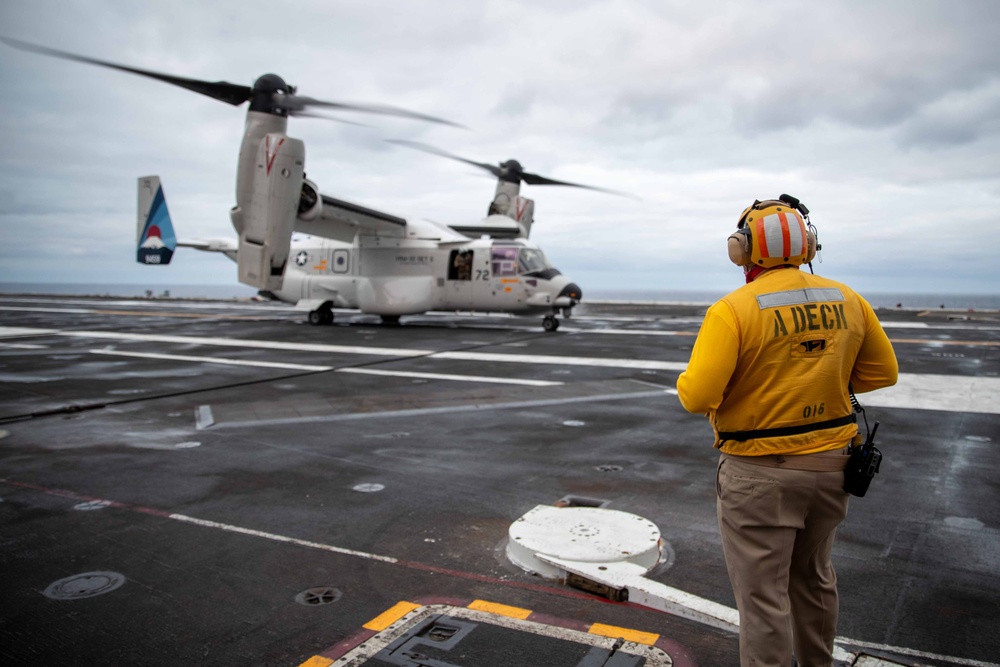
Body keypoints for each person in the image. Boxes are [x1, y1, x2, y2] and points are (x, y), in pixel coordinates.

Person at [676, 195, 898, 667]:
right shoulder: (848, 298)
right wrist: (820, 377)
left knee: (763, 598)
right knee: (815, 579)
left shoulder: (732, 310)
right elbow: (883, 373)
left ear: (742, 250)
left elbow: (696, 396)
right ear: (808, 245)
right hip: (833, 467)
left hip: (761, 475)